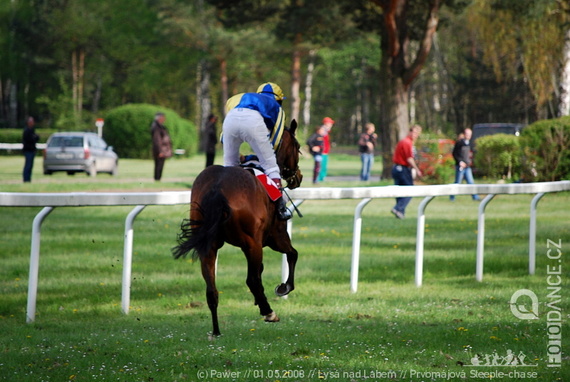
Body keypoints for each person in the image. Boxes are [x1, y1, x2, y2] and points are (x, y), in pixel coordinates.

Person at [222, 82, 292, 220]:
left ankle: (225, 201)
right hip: (253, 121)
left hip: (230, 119)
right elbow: (276, 140)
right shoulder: (277, 107)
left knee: (230, 165)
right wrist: (266, 158)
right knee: (270, 165)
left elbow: (223, 137)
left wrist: (243, 157)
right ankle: (280, 206)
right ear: (278, 99)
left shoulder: (237, 98)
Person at [391, 124, 423, 219]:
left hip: (397, 168)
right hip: (402, 169)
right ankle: (398, 208)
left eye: (417, 133)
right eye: (414, 132)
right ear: (410, 132)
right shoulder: (407, 142)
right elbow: (409, 158)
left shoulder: (406, 142)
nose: (415, 135)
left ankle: (400, 212)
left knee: (400, 191)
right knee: (410, 190)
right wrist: (417, 170)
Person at [450, 127, 480, 201]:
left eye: (470, 134)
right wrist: (460, 162)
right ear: (464, 134)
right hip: (460, 167)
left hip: (467, 167)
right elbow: (455, 154)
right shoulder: (459, 143)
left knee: (471, 182)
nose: (469, 136)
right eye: (467, 134)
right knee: (457, 183)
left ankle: (475, 197)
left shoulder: (470, 143)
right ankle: (452, 197)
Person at [150, 112, 172, 181]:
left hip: (162, 149)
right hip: (160, 150)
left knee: (160, 165)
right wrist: (160, 151)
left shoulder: (160, 126)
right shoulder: (156, 127)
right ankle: (157, 178)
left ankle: (158, 178)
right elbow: (157, 140)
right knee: (158, 165)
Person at [317, 117, 334, 182]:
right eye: (330, 123)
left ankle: (322, 177)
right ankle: (319, 178)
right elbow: (320, 139)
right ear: (326, 123)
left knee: (324, 165)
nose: (331, 125)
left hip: (325, 151)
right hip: (322, 151)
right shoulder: (323, 130)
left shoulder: (326, 130)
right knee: (322, 165)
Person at [22, 116, 39, 183]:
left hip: (32, 150)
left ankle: (28, 179)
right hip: (28, 151)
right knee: (28, 165)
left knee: (30, 165)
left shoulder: (32, 130)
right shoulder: (27, 131)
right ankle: (26, 179)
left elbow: (36, 138)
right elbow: (30, 139)